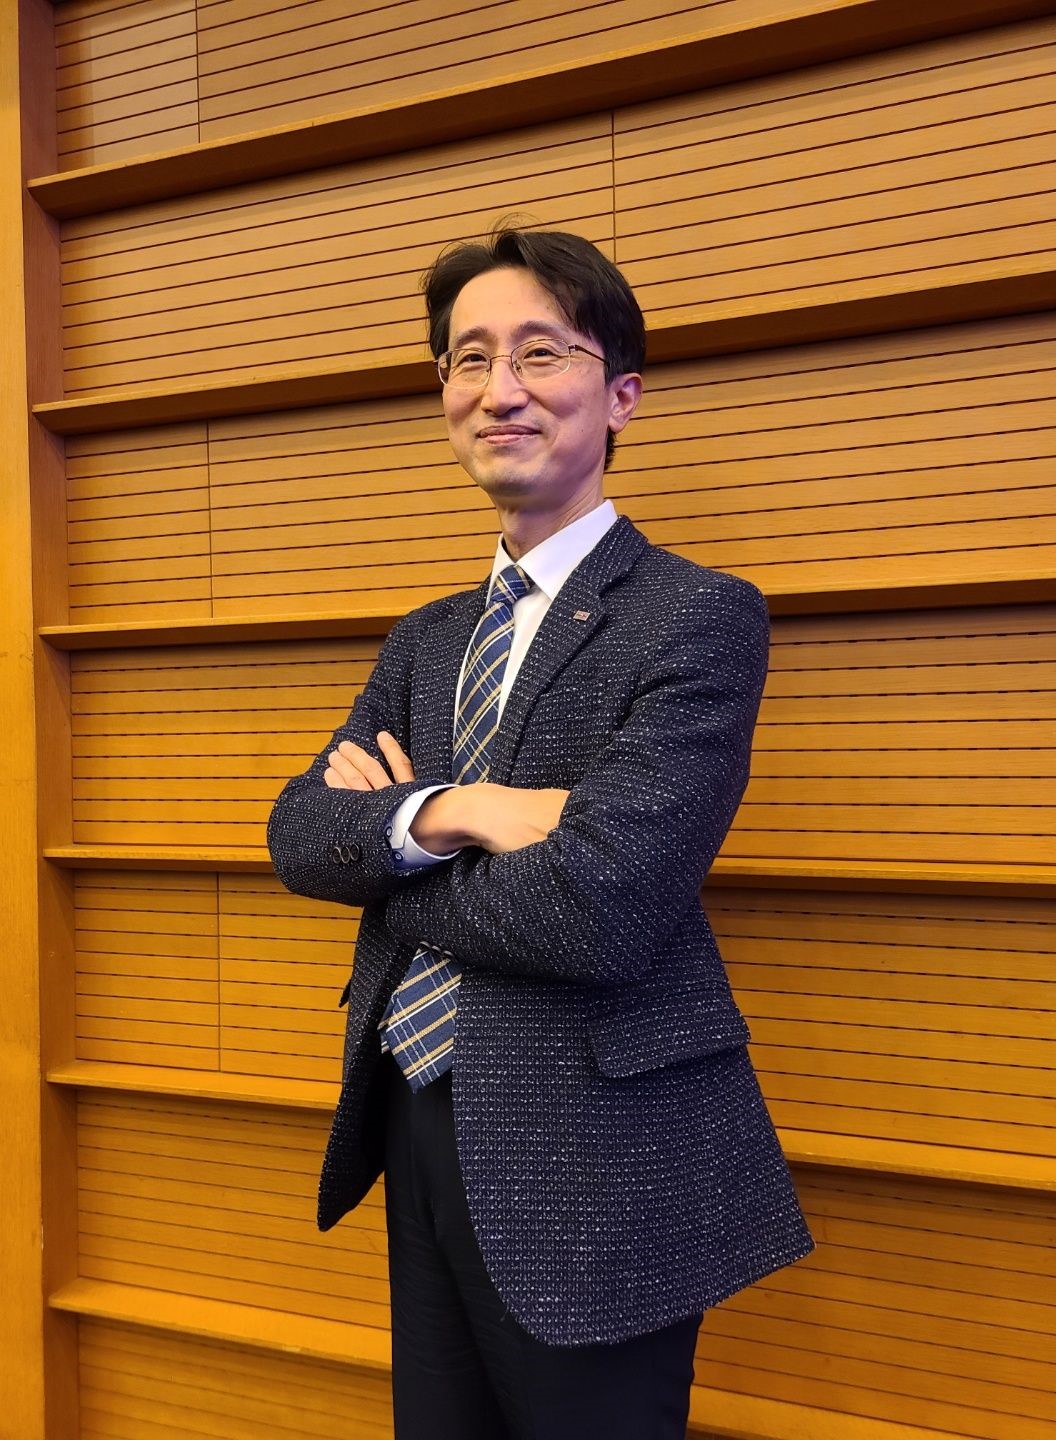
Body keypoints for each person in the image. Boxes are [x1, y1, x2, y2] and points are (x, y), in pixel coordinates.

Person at [267, 224, 815, 1439]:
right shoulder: (426, 637)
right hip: (415, 1113)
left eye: (541, 353)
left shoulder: (696, 617)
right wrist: (464, 809)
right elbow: (299, 834)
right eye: (469, 358)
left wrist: (392, 842)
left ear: (621, 394)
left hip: (599, 1150)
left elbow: (605, 905)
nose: (499, 388)